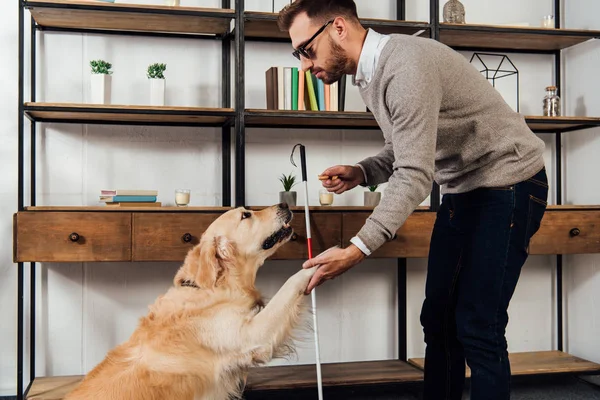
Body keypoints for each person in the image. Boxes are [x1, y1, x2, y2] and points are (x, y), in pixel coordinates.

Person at [277, 1, 549, 399]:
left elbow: (416, 175)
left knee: (478, 324)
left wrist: (356, 249)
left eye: (305, 50)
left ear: (337, 28)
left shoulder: (404, 65)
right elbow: (408, 147)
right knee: (437, 320)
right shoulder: (370, 75)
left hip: (509, 183)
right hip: (464, 190)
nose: (304, 65)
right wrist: (364, 171)